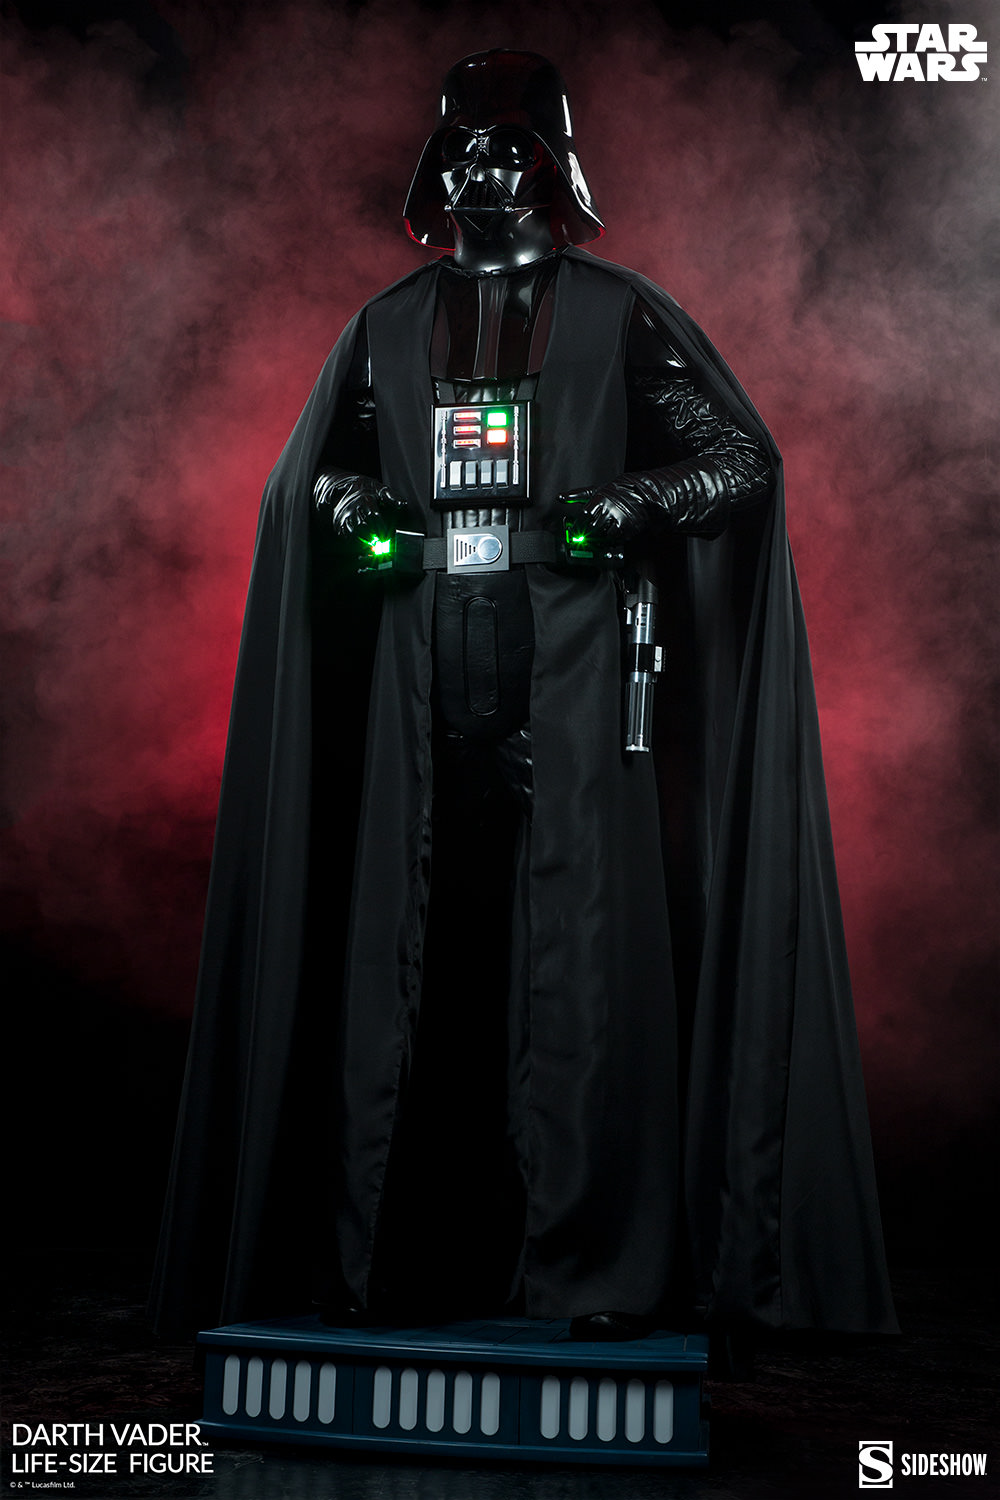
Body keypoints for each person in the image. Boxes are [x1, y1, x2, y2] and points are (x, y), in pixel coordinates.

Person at [150, 50, 897, 1346]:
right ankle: (399, 1255)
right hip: (420, 670)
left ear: (554, 170)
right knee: (413, 954)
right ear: (435, 168)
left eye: (513, 150)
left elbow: (740, 459)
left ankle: (587, 1264)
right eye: (466, 149)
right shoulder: (385, 326)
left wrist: (634, 502)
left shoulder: (619, 313)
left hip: (574, 671)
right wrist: (356, 506)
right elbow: (311, 479)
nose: (486, 171)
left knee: (580, 963)